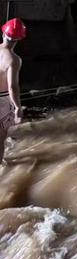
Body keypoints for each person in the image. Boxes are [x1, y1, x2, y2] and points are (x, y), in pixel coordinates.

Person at [0, 18, 26, 159]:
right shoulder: (13, 59)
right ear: (18, 39)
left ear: (3, 33)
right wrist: (17, 107)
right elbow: (12, 86)